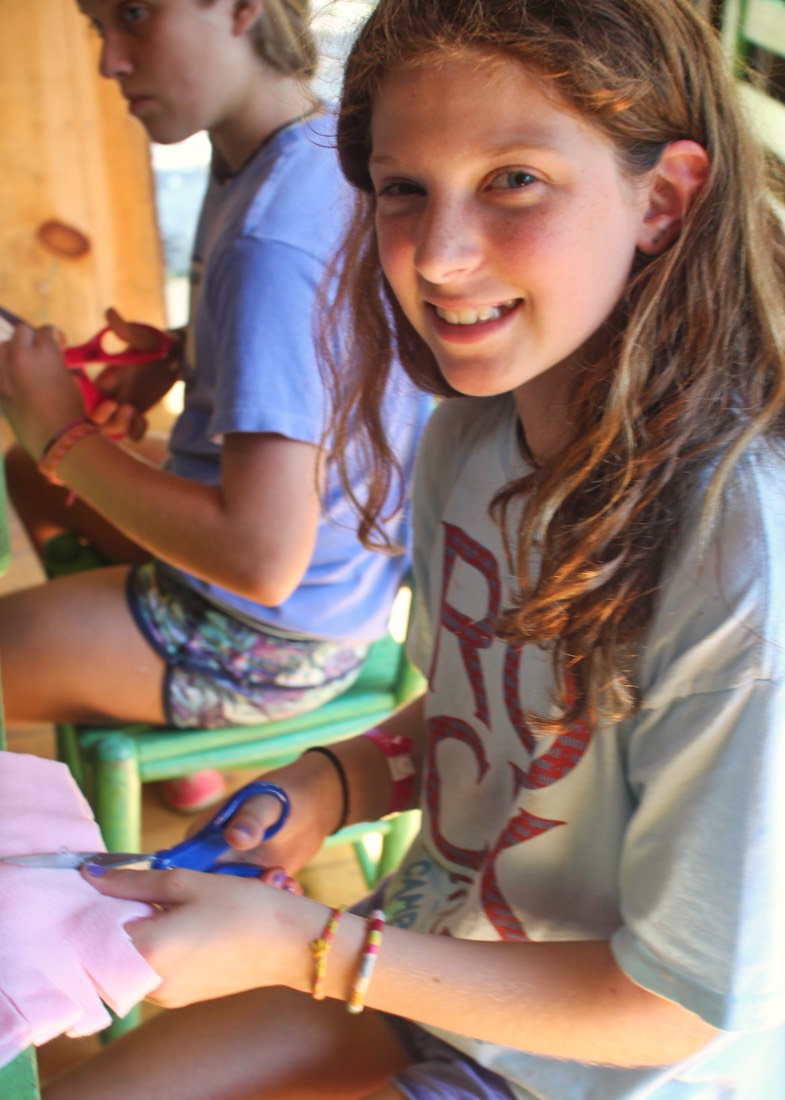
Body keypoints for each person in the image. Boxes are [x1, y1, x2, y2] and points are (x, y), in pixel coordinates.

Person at [41, 0, 785, 1096]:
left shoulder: (739, 555)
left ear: (661, 199)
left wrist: (312, 947)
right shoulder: (467, 440)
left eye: (513, 179)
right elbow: (488, 711)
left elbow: (666, 1001)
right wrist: (332, 780)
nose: (437, 258)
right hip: (428, 966)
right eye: (402, 189)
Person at [0, 0, 429, 811]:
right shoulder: (305, 149)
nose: (110, 62)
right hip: (343, 582)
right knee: (29, 473)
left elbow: (262, 559)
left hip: (266, 639)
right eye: (101, 27)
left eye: (135, 16)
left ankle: (158, 689)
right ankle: (141, 697)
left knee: (43, 459)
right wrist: (178, 348)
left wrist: (65, 431)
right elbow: (316, 335)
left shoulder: (271, 240)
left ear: (241, 7)